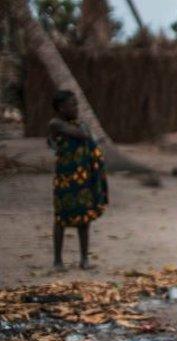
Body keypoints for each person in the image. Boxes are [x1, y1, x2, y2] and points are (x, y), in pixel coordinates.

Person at [48, 89, 108, 270]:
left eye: (76, 104)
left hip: (82, 177)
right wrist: (86, 130)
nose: (76, 108)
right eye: (72, 105)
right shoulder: (56, 123)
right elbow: (81, 135)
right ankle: (58, 261)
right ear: (60, 108)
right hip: (65, 178)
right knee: (61, 219)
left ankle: (84, 259)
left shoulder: (78, 124)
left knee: (84, 218)